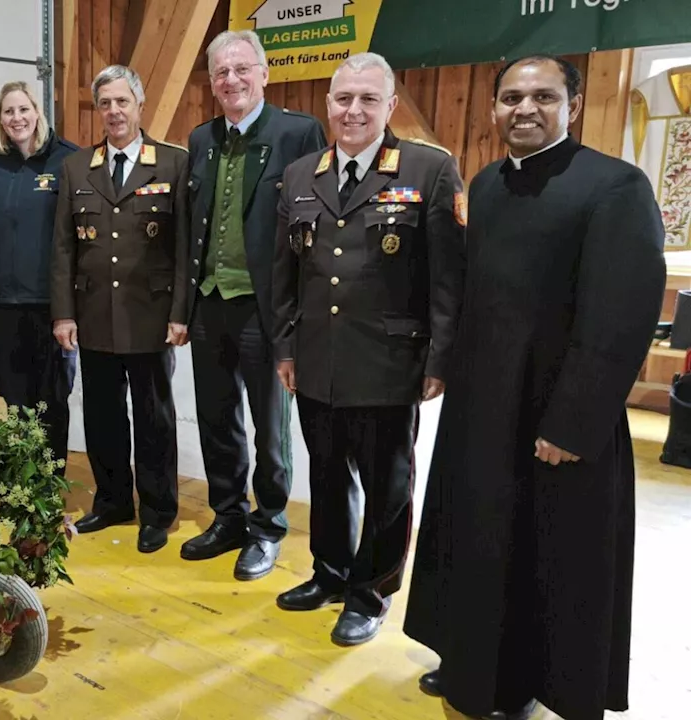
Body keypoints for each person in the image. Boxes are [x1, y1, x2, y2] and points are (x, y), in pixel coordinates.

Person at [403, 54, 666, 720]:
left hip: (558, 414)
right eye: (512, 97)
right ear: (493, 108)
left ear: (571, 105)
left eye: (543, 96)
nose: (525, 108)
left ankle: (548, 685)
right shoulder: (488, 184)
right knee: (485, 543)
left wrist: (572, 422)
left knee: (552, 558)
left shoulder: (615, 187)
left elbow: (621, 317)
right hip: (483, 411)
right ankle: (480, 674)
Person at [272, 52, 464, 646]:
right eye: (342, 99)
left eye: (366, 99)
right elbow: (286, 276)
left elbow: (448, 280)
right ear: (327, 104)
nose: (352, 110)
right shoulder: (302, 174)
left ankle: (371, 590)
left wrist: (439, 360)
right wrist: (286, 348)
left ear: (390, 107)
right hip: (319, 360)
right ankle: (328, 572)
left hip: (388, 363)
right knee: (327, 477)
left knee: (387, 486)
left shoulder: (429, 171)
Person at [180, 30, 327, 581]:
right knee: (218, 422)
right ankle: (228, 517)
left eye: (242, 69)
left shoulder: (297, 132)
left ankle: (268, 526)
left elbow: (314, 225)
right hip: (209, 304)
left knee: (271, 428)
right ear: (212, 83)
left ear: (264, 74)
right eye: (221, 72)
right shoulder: (200, 139)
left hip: (265, 309)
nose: (232, 80)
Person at [50, 65, 191, 554]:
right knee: (103, 414)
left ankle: (158, 510)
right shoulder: (76, 168)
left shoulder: (173, 163)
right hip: (93, 314)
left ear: (139, 105)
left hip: (150, 315)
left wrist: (180, 312)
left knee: (154, 417)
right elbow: (63, 249)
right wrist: (64, 313)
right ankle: (111, 500)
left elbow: (183, 246)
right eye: (105, 103)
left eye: (122, 102)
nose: (114, 112)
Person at [0, 81, 79, 477]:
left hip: (50, 304)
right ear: (0, 119)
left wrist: (69, 305)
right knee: (14, 396)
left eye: (23, 109)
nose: (16, 118)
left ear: (38, 112)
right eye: (8, 112)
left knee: (52, 397)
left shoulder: (68, 160)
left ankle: (50, 480)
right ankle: (22, 474)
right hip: (3, 303)